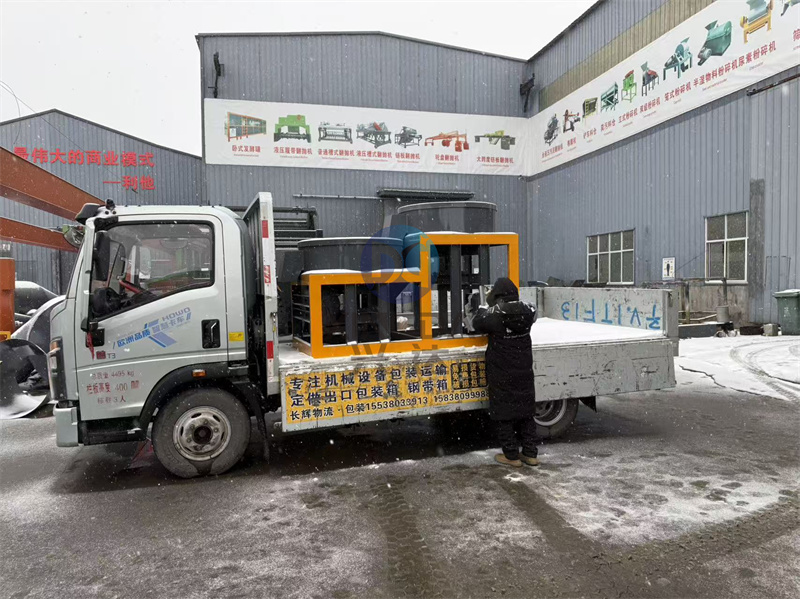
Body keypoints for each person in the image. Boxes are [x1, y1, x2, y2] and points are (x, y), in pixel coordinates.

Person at [466, 278, 540, 468]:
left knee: (504, 414)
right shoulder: (529, 311)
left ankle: (511, 456)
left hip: (502, 372)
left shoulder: (494, 316)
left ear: (499, 298)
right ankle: (530, 454)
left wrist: (482, 306)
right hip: (524, 371)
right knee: (526, 413)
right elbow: (529, 312)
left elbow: (476, 323)